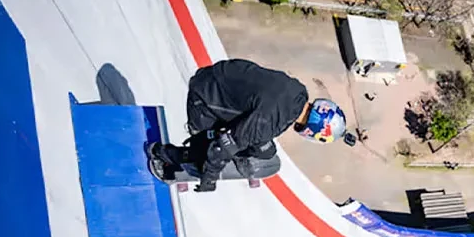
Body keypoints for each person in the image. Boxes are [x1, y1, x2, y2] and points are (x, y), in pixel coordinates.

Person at [149, 59, 347, 192]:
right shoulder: (269, 122)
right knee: (208, 154)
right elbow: (222, 146)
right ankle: (165, 155)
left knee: (263, 148)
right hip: (204, 100)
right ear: (314, 130)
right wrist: (209, 178)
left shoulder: (298, 91)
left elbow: (262, 114)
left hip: (216, 77)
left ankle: (239, 145)